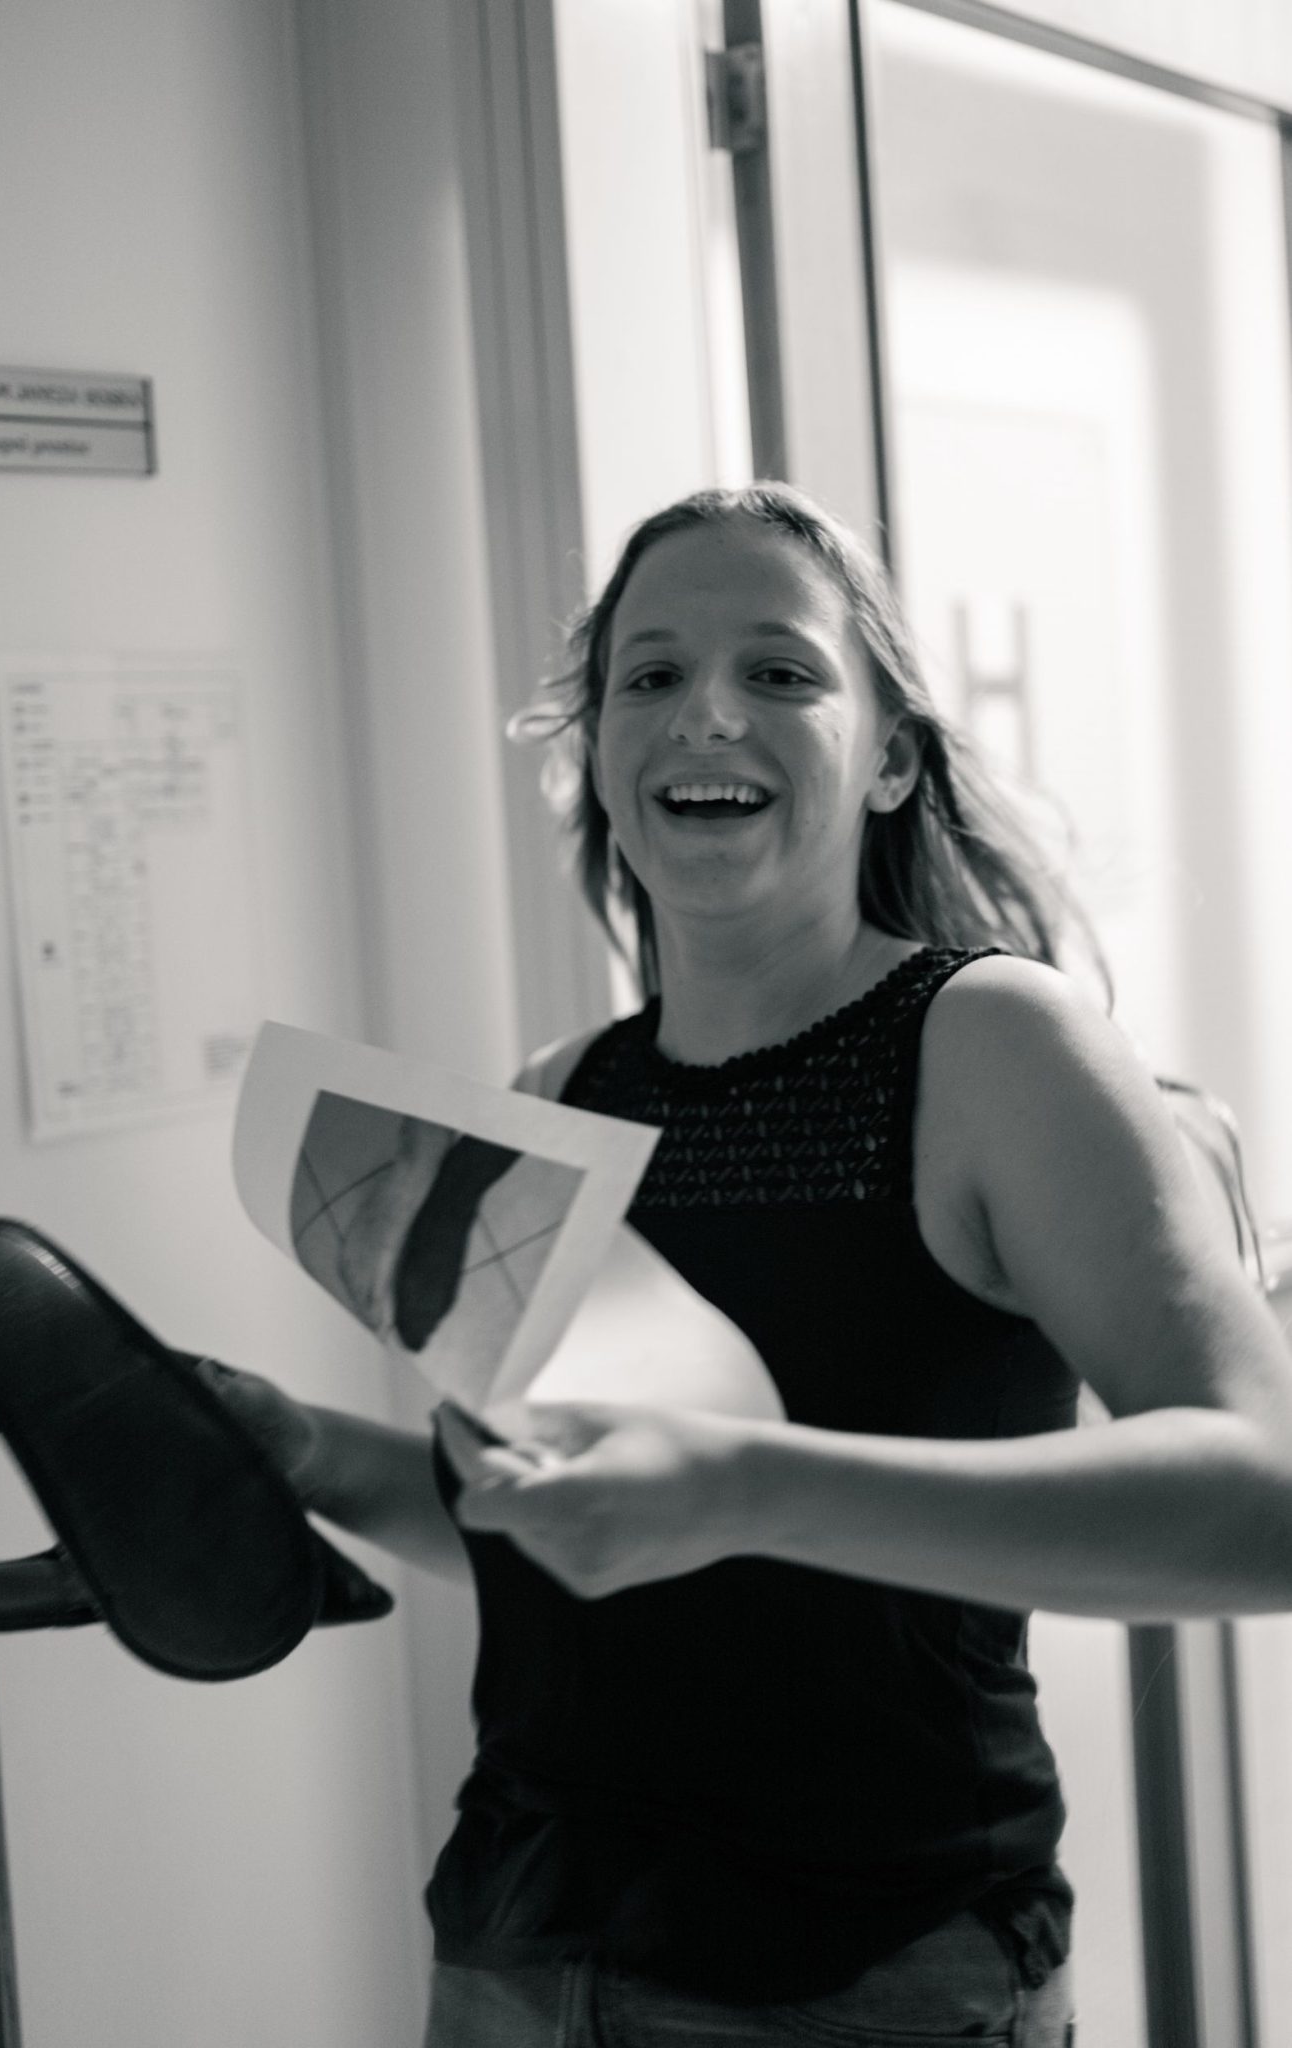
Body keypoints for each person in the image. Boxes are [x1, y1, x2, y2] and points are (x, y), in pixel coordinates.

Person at [209, 483, 1292, 2046]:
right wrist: (298, 1454)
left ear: (890, 757)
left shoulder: (990, 1043)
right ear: (598, 753)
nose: (704, 713)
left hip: (870, 1976)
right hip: (516, 1959)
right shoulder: (557, 1092)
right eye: (648, 675)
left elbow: (1261, 1504)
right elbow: (568, 1533)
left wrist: (742, 1484)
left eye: (778, 671)